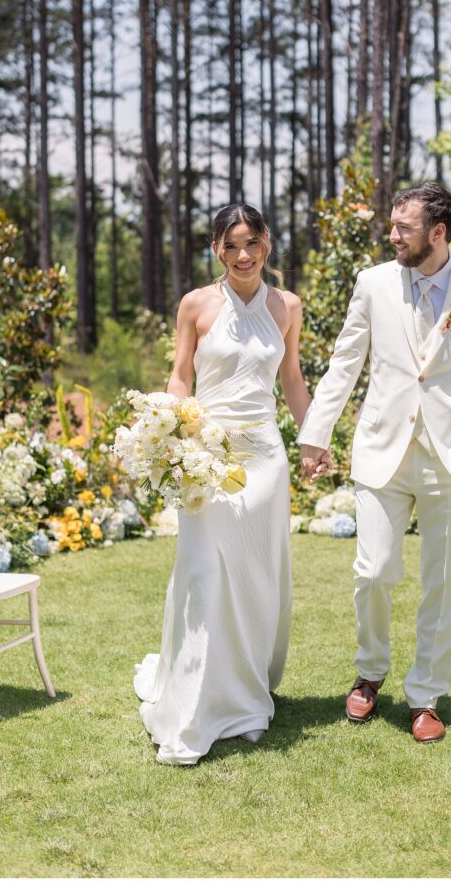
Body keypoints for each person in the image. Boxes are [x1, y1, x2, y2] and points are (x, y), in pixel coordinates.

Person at [299, 182, 451, 743]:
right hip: (382, 448)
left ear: (438, 233)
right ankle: (370, 672)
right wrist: (314, 435)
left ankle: (425, 696)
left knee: (445, 582)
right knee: (373, 570)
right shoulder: (373, 283)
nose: (391, 236)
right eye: (391, 226)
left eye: (403, 228)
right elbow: (345, 363)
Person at [134, 204, 331, 764]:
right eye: (230, 246)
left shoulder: (286, 306)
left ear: (267, 242)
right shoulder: (196, 304)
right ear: (216, 250)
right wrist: (168, 435)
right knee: (201, 571)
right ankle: (193, 704)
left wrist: (312, 440)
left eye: (252, 243)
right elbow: (181, 374)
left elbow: (291, 380)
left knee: (253, 576)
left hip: (265, 460)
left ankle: (245, 698)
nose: (243, 255)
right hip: (205, 459)